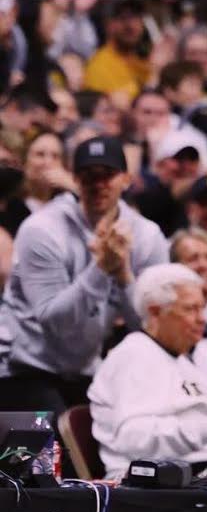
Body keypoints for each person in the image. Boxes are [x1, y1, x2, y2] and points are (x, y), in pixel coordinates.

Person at [0, 135, 167, 414]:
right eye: (89, 176)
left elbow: (153, 328)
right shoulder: (42, 229)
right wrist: (101, 269)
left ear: (125, 179)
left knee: (114, 439)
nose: (98, 184)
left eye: (107, 175)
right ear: (75, 180)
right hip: (22, 370)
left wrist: (124, 274)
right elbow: (56, 320)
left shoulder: (146, 236)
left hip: (83, 370)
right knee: (42, 456)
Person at [89, 264, 207, 480]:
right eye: (190, 309)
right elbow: (133, 439)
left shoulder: (188, 361)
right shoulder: (133, 355)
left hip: (204, 473)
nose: (202, 319)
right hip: (153, 484)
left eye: (202, 308)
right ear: (155, 311)